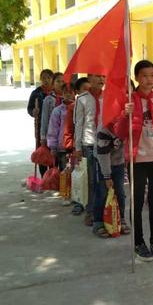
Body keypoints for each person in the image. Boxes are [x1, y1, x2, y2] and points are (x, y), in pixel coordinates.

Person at [114, 60, 153, 261]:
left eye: (152, 75)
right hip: (137, 160)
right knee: (138, 201)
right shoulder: (129, 101)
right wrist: (125, 115)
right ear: (136, 78)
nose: (149, 80)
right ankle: (138, 242)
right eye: (144, 76)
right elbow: (120, 132)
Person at [74, 74, 105, 233]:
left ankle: (104, 212)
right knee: (92, 180)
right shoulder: (82, 99)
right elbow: (79, 124)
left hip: (105, 143)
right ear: (89, 79)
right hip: (89, 143)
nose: (101, 79)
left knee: (105, 180)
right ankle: (90, 211)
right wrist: (77, 147)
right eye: (97, 76)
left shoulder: (108, 97)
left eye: (103, 76)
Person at [95, 124, 131, 235]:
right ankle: (98, 222)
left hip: (118, 164)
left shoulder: (125, 126)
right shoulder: (104, 131)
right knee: (102, 193)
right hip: (103, 164)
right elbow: (103, 155)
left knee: (120, 192)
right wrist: (107, 176)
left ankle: (121, 219)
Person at [63, 77, 90, 215]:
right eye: (85, 89)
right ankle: (78, 202)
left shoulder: (95, 103)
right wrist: (70, 146)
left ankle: (90, 203)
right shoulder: (73, 107)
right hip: (77, 147)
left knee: (90, 177)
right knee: (79, 175)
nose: (88, 91)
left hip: (90, 145)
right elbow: (69, 128)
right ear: (77, 92)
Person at [27, 69, 53, 176]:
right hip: (40, 126)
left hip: (54, 126)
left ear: (52, 79)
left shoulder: (56, 92)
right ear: (40, 79)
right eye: (43, 78)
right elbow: (29, 108)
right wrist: (33, 112)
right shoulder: (36, 93)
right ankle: (44, 176)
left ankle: (52, 175)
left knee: (53, 151)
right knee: (42, 151)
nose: (46, 80)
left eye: (48, 78)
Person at [47, 84, 75, 171]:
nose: (68, 94)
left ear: (75, 93)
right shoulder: (57, 111)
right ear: (62, 94)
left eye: (70, 92)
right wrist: (52, 147)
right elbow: (53, 129)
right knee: (64, 173)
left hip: (76, 147)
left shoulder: (79, 108)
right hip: (62, 148)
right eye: (65, 92)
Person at [40, 72, 64, 146]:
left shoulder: (70, 97)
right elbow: (44, 118)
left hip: (64, 135)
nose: (61, 84)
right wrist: (43, 136)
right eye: (58, 81)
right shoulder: (48, 99)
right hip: (52, 134)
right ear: (53, 84)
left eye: (63, 81)